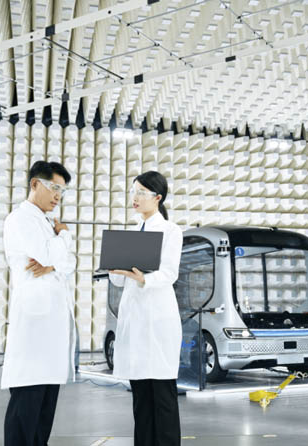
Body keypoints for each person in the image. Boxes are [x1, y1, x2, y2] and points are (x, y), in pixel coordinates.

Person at [1, 160, 77, 446]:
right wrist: (64, 235)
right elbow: (48, 254)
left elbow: (69, 263)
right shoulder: (20, 219)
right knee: (26, 406)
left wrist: (54, 263)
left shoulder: (46, 223)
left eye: (62, 191)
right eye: (54, 188)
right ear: (35, 184)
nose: (58, 196)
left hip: (52, 326)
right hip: (34, 326)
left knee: (44, 412)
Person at [109, 171, 183, 446]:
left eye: (141, 192)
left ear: (158, 197)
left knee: (162, 396)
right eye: (134, 191)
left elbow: (170, 273)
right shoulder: (132, 233)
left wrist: (144, 279)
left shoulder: (171, 231)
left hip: (158, 320)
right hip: (135, 321)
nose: (135, 197)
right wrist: (114, 268)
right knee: (140, 397)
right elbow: (119, 280)